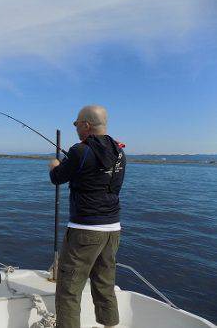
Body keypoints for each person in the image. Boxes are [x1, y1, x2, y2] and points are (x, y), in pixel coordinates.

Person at [49, 105, 126, 328]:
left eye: (76, 124)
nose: (75, 128)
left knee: (68, 290)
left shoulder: (79, 151)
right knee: (105, 284)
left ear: (86, 125)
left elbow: (57, 178)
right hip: (113, 230)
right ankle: (110, 325)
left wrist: (54, 165)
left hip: (85, 230)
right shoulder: (120, 152)